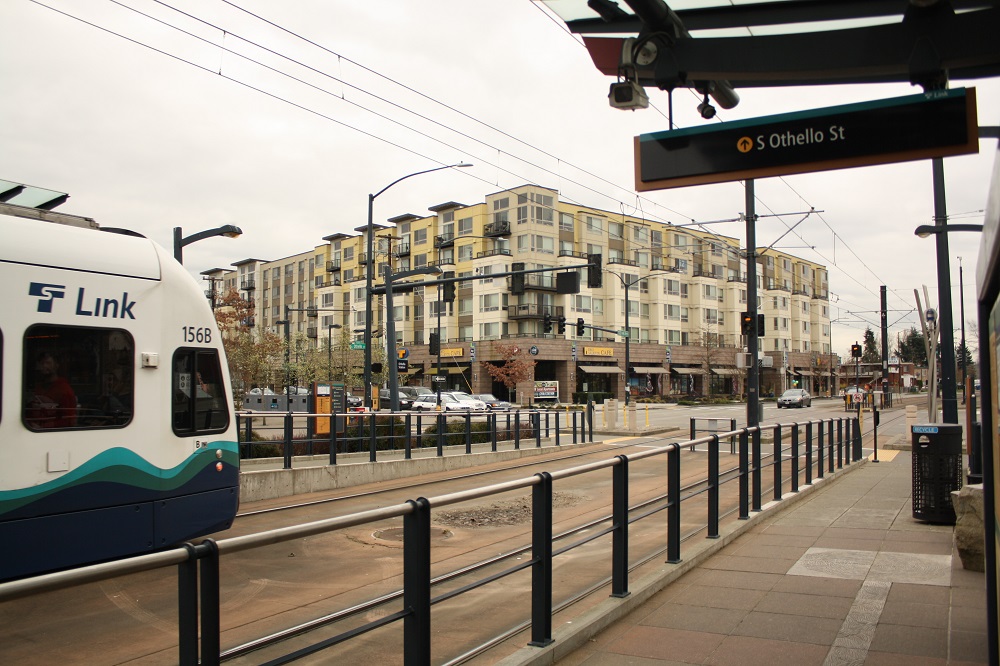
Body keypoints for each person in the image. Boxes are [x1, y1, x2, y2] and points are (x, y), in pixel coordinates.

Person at [26, 352, 77, 428]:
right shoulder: (38, 388)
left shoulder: (64, 390)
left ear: (56, 366)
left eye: (48, 363)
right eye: (41, 363)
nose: (44, 366)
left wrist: (43, 427)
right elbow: (30, 412)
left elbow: (69, 420)